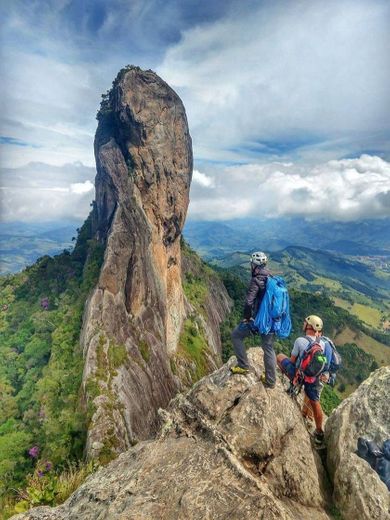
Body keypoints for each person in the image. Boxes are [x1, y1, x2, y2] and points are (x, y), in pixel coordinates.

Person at [276, 315, 332, 446]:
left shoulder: (300, 341)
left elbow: (292, 361)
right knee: (315, 403)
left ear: (309, 326)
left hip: (299, 377)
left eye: (305, 322)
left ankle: (292, 386)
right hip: (313, 381)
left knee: (279, 357)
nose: (303, 324)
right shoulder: (323, 344)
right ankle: (319, 432)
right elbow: (325, 365)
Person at [230, 251, 276, 388]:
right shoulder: (271, 278)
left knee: (236, 335)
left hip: (258, 320)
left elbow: (249, 302)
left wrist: (247, 318)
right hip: (271, 320)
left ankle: (244, 366)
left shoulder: (256, 280)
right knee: (268, 348)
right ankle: (271, 381)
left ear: (254, 265)